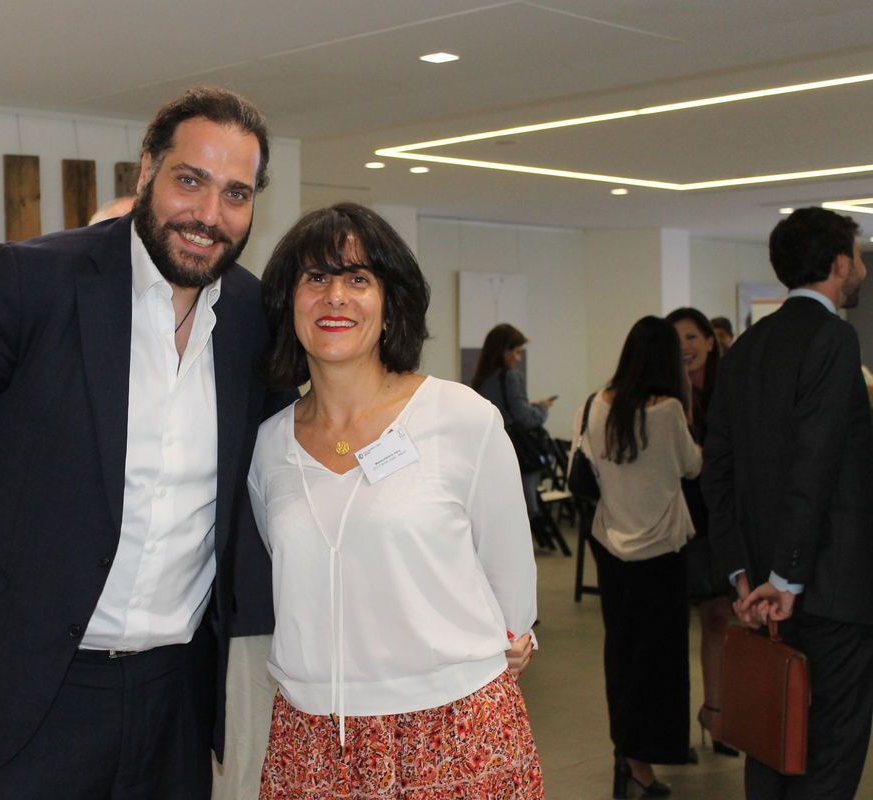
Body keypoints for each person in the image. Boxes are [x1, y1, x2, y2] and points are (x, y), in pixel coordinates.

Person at [0, 86, 291, 799]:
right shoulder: (31, 281)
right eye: (190, 180)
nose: (209, 215)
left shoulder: (253, 317)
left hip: (176, 695)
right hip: (27, 686)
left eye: (236, 194)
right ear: (147, 171)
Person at [249, 203, 543, 799]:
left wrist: (515, 637)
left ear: (390, 304)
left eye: (358, 278)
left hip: (456, 727)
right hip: (312, 738)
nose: (335, 296)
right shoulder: (268, 445)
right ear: (288, 302)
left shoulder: (461, 417)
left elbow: (511, 585)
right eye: (316, 277)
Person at [702, 207, 873, 799]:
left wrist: (743, 577)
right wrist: (787, 579)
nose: (861, 268)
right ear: (839, 263)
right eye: (858, 256)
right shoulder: (835, 338)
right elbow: (815, 464)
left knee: (774, 739)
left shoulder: (747, 346)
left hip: (761, 592)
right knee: (829, 751)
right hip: (828, 590)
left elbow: (717, 471)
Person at [574, 316, 700, 798]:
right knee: (660, 664)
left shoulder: (595, 405)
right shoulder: (668, 411)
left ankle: (628, 757)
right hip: (661, 554)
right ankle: (642, 763)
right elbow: (691, 465)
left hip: (611, 549)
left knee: (623, 657)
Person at [665, 307, 738, 759]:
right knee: (673, 626)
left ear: (711, 341)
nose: (686, 347)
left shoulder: (729, 390)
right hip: (677, 519)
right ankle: (671, 728)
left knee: (718, 618)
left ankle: (715, 712)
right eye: (676, 340)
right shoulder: (665, 397)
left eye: (693, 337)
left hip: (719, 516)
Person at [471, 323, 554, 524]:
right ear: (504, 351)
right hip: (516, 453)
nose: (518, 359)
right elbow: (525, 419)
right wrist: (542, 408)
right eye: (516, 352)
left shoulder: (480, 380)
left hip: (490, 455)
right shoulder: (511, 376)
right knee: (523, 514)